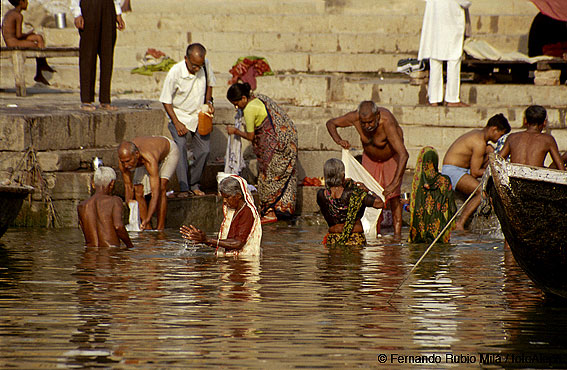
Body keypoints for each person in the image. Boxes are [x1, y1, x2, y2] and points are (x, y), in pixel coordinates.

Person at [326, 100, 408, 238]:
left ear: (377, 116)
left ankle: (397, 236)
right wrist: (339, 140)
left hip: (390, 158)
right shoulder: (355, 117)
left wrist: (395, 182)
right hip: (370, 159)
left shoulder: (387, 121)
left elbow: (403, 154)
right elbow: (331, 123)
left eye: (370, 122)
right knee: (367, 196)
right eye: (364, 123)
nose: (367, 126)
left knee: (393, 198)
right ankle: (373, 233)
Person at [226, 82, 298, 224]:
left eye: (236, 104)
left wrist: (235, 131)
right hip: (288, 141)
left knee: (268, 177)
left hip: (277, 146)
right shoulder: (259, 99)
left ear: (244, 98)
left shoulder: (249, 109)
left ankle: (270, 212)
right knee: (284, 176)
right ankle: (282, 210)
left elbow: (251, 136)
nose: (236, 108)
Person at [160, 43, 216, 197]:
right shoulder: (175, 72)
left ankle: (194, 183)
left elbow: (210, 83)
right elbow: (166, 100)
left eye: (200, 66)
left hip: (199, 116)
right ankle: (184, 187)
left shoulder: (205, 65)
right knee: (180, 147)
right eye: (194, 66)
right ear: (186, 59)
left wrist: (208, 103)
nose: (197, 69)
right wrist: (177, 122)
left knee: (204, 151)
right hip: (179, 115)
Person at [442, 113, 511, 230]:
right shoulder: (479, 142)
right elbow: (475, 172)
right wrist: (493, 173)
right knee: (482, 192)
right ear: (494, 129)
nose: (499, 138)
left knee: (490, 151)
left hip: (462, 170)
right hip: (452, 171)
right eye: (501, 134)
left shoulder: (480, 138)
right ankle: (460, 223)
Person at [180, 175, 262, 256]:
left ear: (238, 196)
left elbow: (238, 243)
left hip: (243, 263)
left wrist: (207, 239)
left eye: (227, 197)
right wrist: (203, 240)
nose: (224, 201)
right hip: (232, 261)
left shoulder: (247, 212)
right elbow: (226, 242)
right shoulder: (233, 211)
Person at [71, 0, 125, 111]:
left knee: (107, 55)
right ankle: (86, 100)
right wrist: (77, 13)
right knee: (88, 54)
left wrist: (118, 13)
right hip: (89, 7)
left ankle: (105, 100)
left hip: (108, 7)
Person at [317, 159, 384, 247]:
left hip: (333, 239)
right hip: (355, 239)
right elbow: (380, 204)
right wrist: (367, 190)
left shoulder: (321, 195)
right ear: (342, 175)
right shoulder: (355, 193)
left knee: (333, 260)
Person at [117, 136, 180, 231]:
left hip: (169, 152)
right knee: (138, 189)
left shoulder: (149, 158)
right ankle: (147, 227)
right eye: (123, 162)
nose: (126, 165)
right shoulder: (124, 159)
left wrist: (148, 217)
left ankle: (160, 228)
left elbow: (155, 194)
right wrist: (129, 207)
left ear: (136, 155)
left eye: (128, 161)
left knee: (161, 187)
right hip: (147, 152)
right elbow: (128, 186)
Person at [418, 0, 471, 107]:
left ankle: (434, 98)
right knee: (454, 60)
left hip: (435, 24)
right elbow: (466, 2)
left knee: (435, 61)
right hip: (450, 22)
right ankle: (452, 98)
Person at [409, 146, 457, 244]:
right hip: (440, 234)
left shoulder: (419, 185)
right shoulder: (445, 180)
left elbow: (416, 208)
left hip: (420, 238)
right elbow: (452, 208)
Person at [77, 166, 134, 248]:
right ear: (112, 183)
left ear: (93, 183)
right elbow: (118, 227)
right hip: (111, 254)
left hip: (89, 255)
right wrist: (130, 246)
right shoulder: (115, 201)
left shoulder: (82, 206)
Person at [2, 0, 55, 85]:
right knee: (36, 45)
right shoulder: (18, 15)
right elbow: (18, 36)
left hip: (12, 39)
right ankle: (39, 71)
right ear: (21, 2)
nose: (27, 3)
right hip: (13, 42)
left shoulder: (11, 12)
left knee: (39, 37)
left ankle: (42, 68)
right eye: (26, 1)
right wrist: (29, 34)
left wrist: (30, 35)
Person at [498, 105, 565, 171]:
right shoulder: (548, 139)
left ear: (525, 121)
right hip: (535, 180)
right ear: (544, 122)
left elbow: (497, 161)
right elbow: (561, 168)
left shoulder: (512, 137)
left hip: (513, 179)